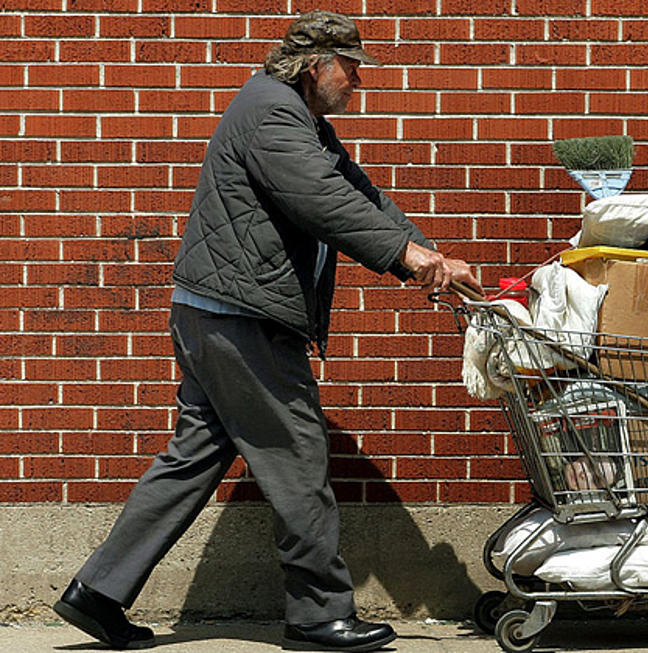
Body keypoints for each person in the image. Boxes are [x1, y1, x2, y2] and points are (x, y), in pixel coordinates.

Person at [53, 10, 480, 652]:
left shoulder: (298, 118)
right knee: (299, 458)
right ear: (316, 66)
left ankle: (98, 592)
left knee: (192, 458)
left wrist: (431, 254)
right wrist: (410, 259)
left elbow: (360, 195)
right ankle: (316, 616)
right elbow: (321, 200)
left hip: (215, 313)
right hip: (241, 319)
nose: (359, 80)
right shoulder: (272, 112)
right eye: (352, 67)